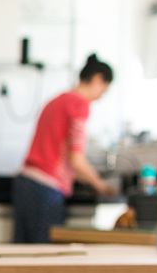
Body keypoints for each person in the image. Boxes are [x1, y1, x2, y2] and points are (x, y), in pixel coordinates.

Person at [13, 54, 117, 243]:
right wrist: (100, 185)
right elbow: (76, 160)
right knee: (44, 258)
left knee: (22, 256)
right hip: (46, 188)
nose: (101, 96)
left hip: (25, 182)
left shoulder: (56, 100)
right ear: (97, 80)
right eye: (104, 89)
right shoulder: (79, 105)